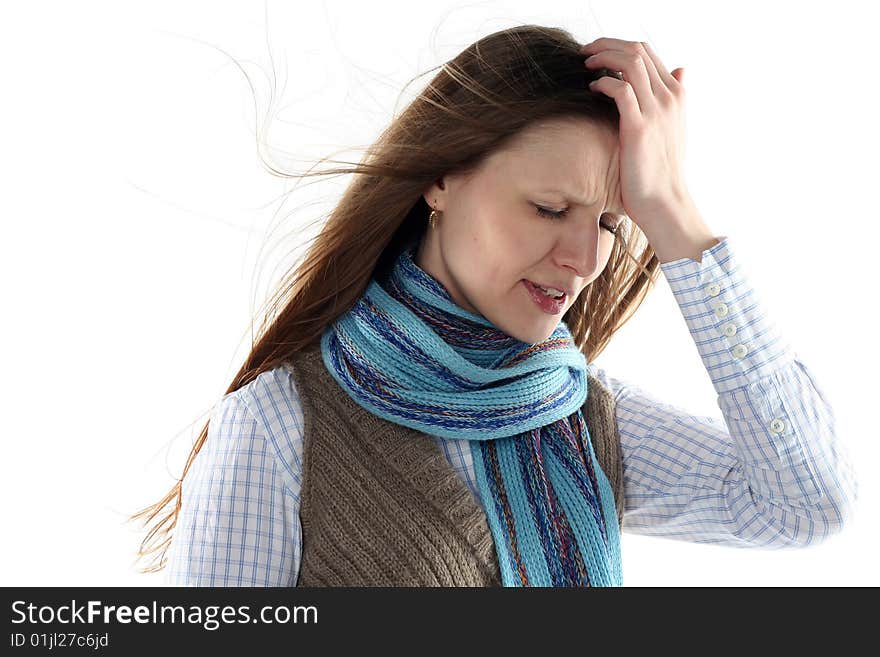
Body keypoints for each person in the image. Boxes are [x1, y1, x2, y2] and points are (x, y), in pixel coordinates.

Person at [129, 26, 858, 586]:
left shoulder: (581, 415)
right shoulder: (280, 424)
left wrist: (672, 210)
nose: (583, 258)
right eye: (548, 208)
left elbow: (808, 504)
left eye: (608, 221)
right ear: (441, 181)